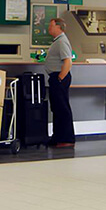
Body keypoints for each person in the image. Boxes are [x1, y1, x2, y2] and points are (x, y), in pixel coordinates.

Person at [45, 18, 75, 148]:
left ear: (59, 27)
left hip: (59, 77)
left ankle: (66, 138)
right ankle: (57, 137)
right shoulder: (57, 41)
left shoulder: (62, 41)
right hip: (56, 77)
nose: (49, 28)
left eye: (51, 26)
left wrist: (60, 78)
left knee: (62, 108)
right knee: (56, 108)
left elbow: (68, 61)